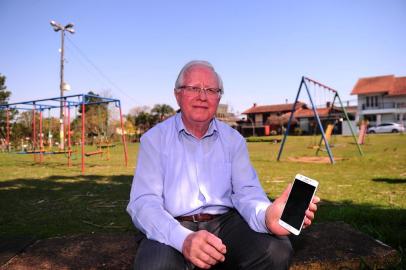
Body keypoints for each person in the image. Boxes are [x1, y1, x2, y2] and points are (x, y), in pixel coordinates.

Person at [127, 60, 320, 270]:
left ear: (218, 97)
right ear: (177, 94)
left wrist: (266, 216)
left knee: (276, 251)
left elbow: (247, 192)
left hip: (225, 223)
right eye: (193, 88)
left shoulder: (233, 140)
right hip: (171, 223)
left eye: (211, 90)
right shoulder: (154, 139)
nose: (202, 96)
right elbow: (144, 202)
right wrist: (182, 239)